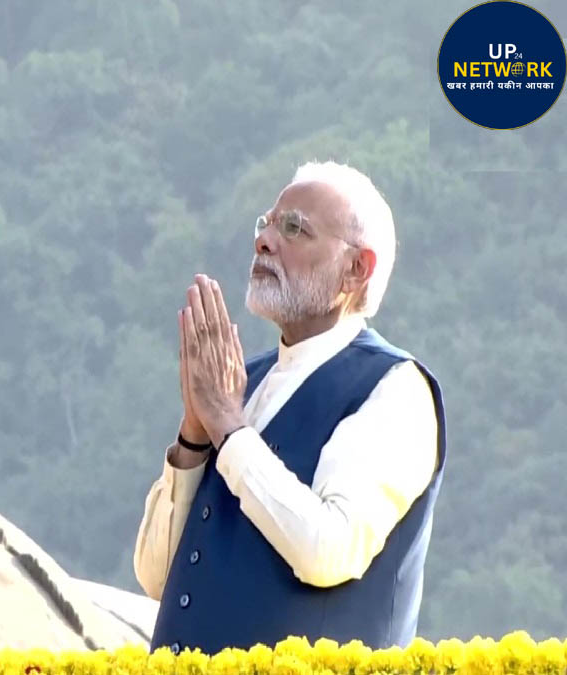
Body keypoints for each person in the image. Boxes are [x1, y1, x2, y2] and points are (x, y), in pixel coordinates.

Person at [131, 161, 445, 655]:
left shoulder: (394, 388)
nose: (265, 241)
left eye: (295, 228)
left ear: (355, 270)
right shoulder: (241, 383)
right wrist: (195, 435)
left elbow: (329, 550)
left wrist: (230, 431)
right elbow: (156, 577)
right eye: (267, 224)